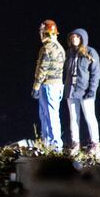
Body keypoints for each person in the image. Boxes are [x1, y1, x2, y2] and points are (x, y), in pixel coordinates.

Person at [62, 28, 100, 155]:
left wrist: (92, 90)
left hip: (85, 91)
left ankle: (95, 144)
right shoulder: (68, 53)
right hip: (71, 90)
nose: (74, 39)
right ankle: (75, 143)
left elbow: (96, 73)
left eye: (77, 37)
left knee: (90, 117)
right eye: (72, 37)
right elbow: (64, 72)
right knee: (73, 118)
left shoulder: (90, 52)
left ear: (82, 38)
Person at [31, 19, 66, 147]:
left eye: (42, 32)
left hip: (48, 86)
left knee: (48, 115)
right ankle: (50, 143)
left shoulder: (47, 48)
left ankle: (53, 144)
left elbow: (42, 69)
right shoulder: (61, 48)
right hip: (57, 85)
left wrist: (36, 86)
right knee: (52, 114)